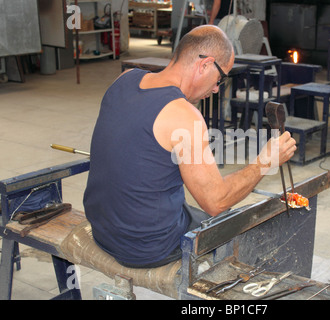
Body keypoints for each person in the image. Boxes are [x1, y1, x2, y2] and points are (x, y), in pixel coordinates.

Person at [83, 25, 296, 269]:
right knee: (236, 227)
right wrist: (266, 161)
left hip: (103, 230)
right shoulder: (184, 115)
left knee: (188, 205)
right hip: (145, 247)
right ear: (205, 64)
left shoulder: (124, 79)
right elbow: (216, 201)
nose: (216, 89)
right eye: (219, 79)